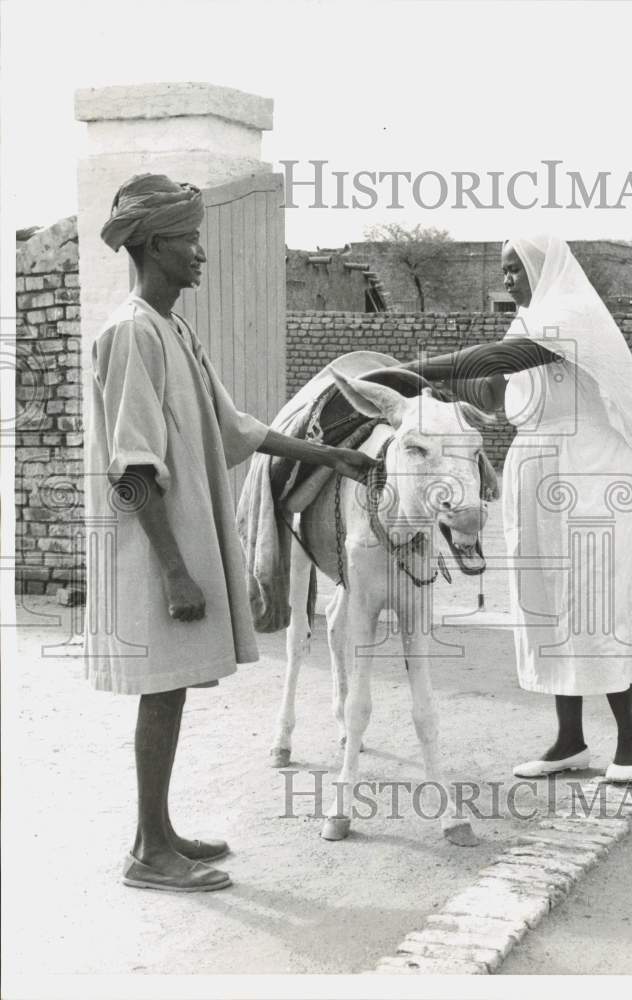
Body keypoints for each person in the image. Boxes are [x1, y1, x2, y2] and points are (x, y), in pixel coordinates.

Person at [85, 173, 374, 892]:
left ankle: (157, 831)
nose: (201, 254)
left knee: (174, 687)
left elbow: (235, 427)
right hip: (154, 551)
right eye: (190, 240)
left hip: (174, 546)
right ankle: (149, 852)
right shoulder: (129, 336)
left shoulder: (172, 327)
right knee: (162, 689)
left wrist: (326, 452)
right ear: (154, 244)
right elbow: (132, 469)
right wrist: (176, 571)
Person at [395, 235, 632, 783]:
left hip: (593, 477)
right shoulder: (528, 322)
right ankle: (569, 742)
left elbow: (498, 359)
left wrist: (405, 369)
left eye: (515, 269)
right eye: (503, 271)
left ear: (543, 268)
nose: (507, 281)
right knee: (548, 603)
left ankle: (630, 741)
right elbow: (497, 391)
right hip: (539, 473)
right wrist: (443, 392)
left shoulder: (571, 315)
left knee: (597, 603)